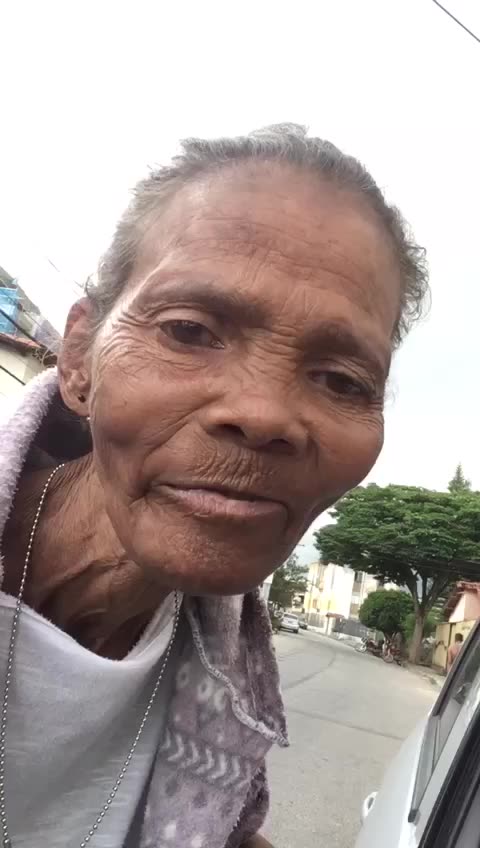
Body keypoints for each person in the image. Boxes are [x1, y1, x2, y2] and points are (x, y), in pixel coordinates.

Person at [0, 123, 428, 848]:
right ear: (78, 359)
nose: (264, 416)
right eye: (190, 331)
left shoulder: (225, 676)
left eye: (340, 380)